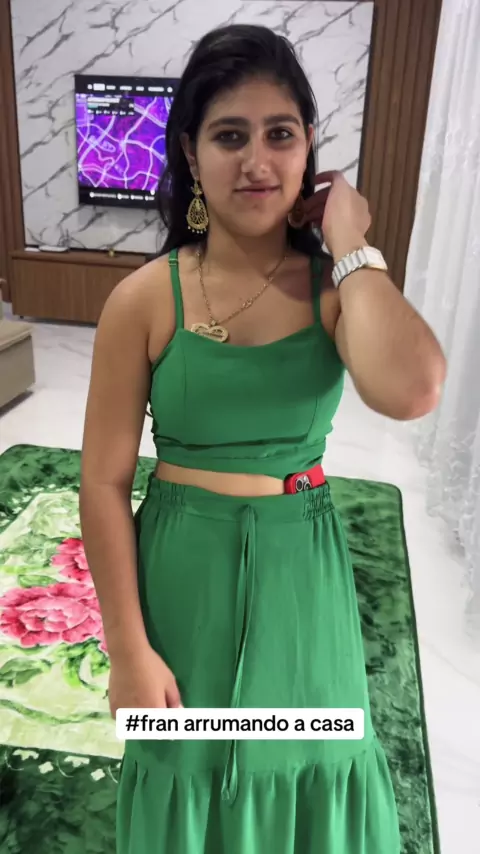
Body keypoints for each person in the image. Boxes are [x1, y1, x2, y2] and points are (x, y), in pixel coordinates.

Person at [79, 24, 446, 854]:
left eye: (280, 134)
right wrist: (127, 647)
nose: (256, 161)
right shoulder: (145, 298)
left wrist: (351, 242)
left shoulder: (336, 291)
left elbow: (414, 388)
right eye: (229, 136)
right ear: (190, 152)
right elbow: (101, 483)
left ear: (309, 147)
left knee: (310, 754)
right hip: (183, 572)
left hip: (299, 570)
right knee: (187, 763)